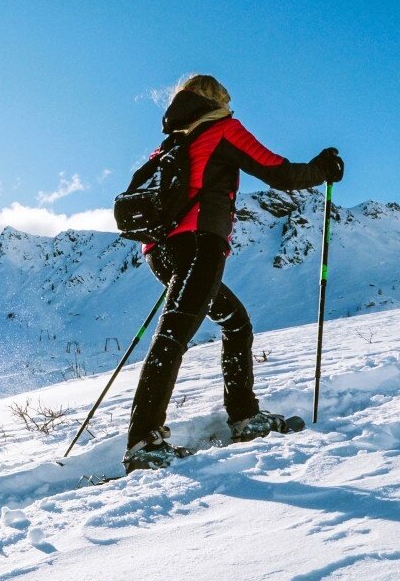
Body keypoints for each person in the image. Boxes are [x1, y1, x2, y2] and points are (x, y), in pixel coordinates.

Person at [123, 73, 342, 473]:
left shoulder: (172, 141)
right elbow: (278, 172)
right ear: (218, 100)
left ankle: (243, 416)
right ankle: (143, 442)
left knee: (235, 323)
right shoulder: (223, 129)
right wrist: (321, 169)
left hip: (160, 251)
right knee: (173, 337)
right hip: (199, 247)